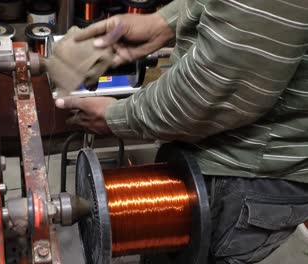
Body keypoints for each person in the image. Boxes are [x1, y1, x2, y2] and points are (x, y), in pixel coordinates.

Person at [55, 1, 308, 263]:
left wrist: (118, 117)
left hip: (245, 171)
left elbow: (211, 91)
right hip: (214, 151)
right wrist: (163, 22)